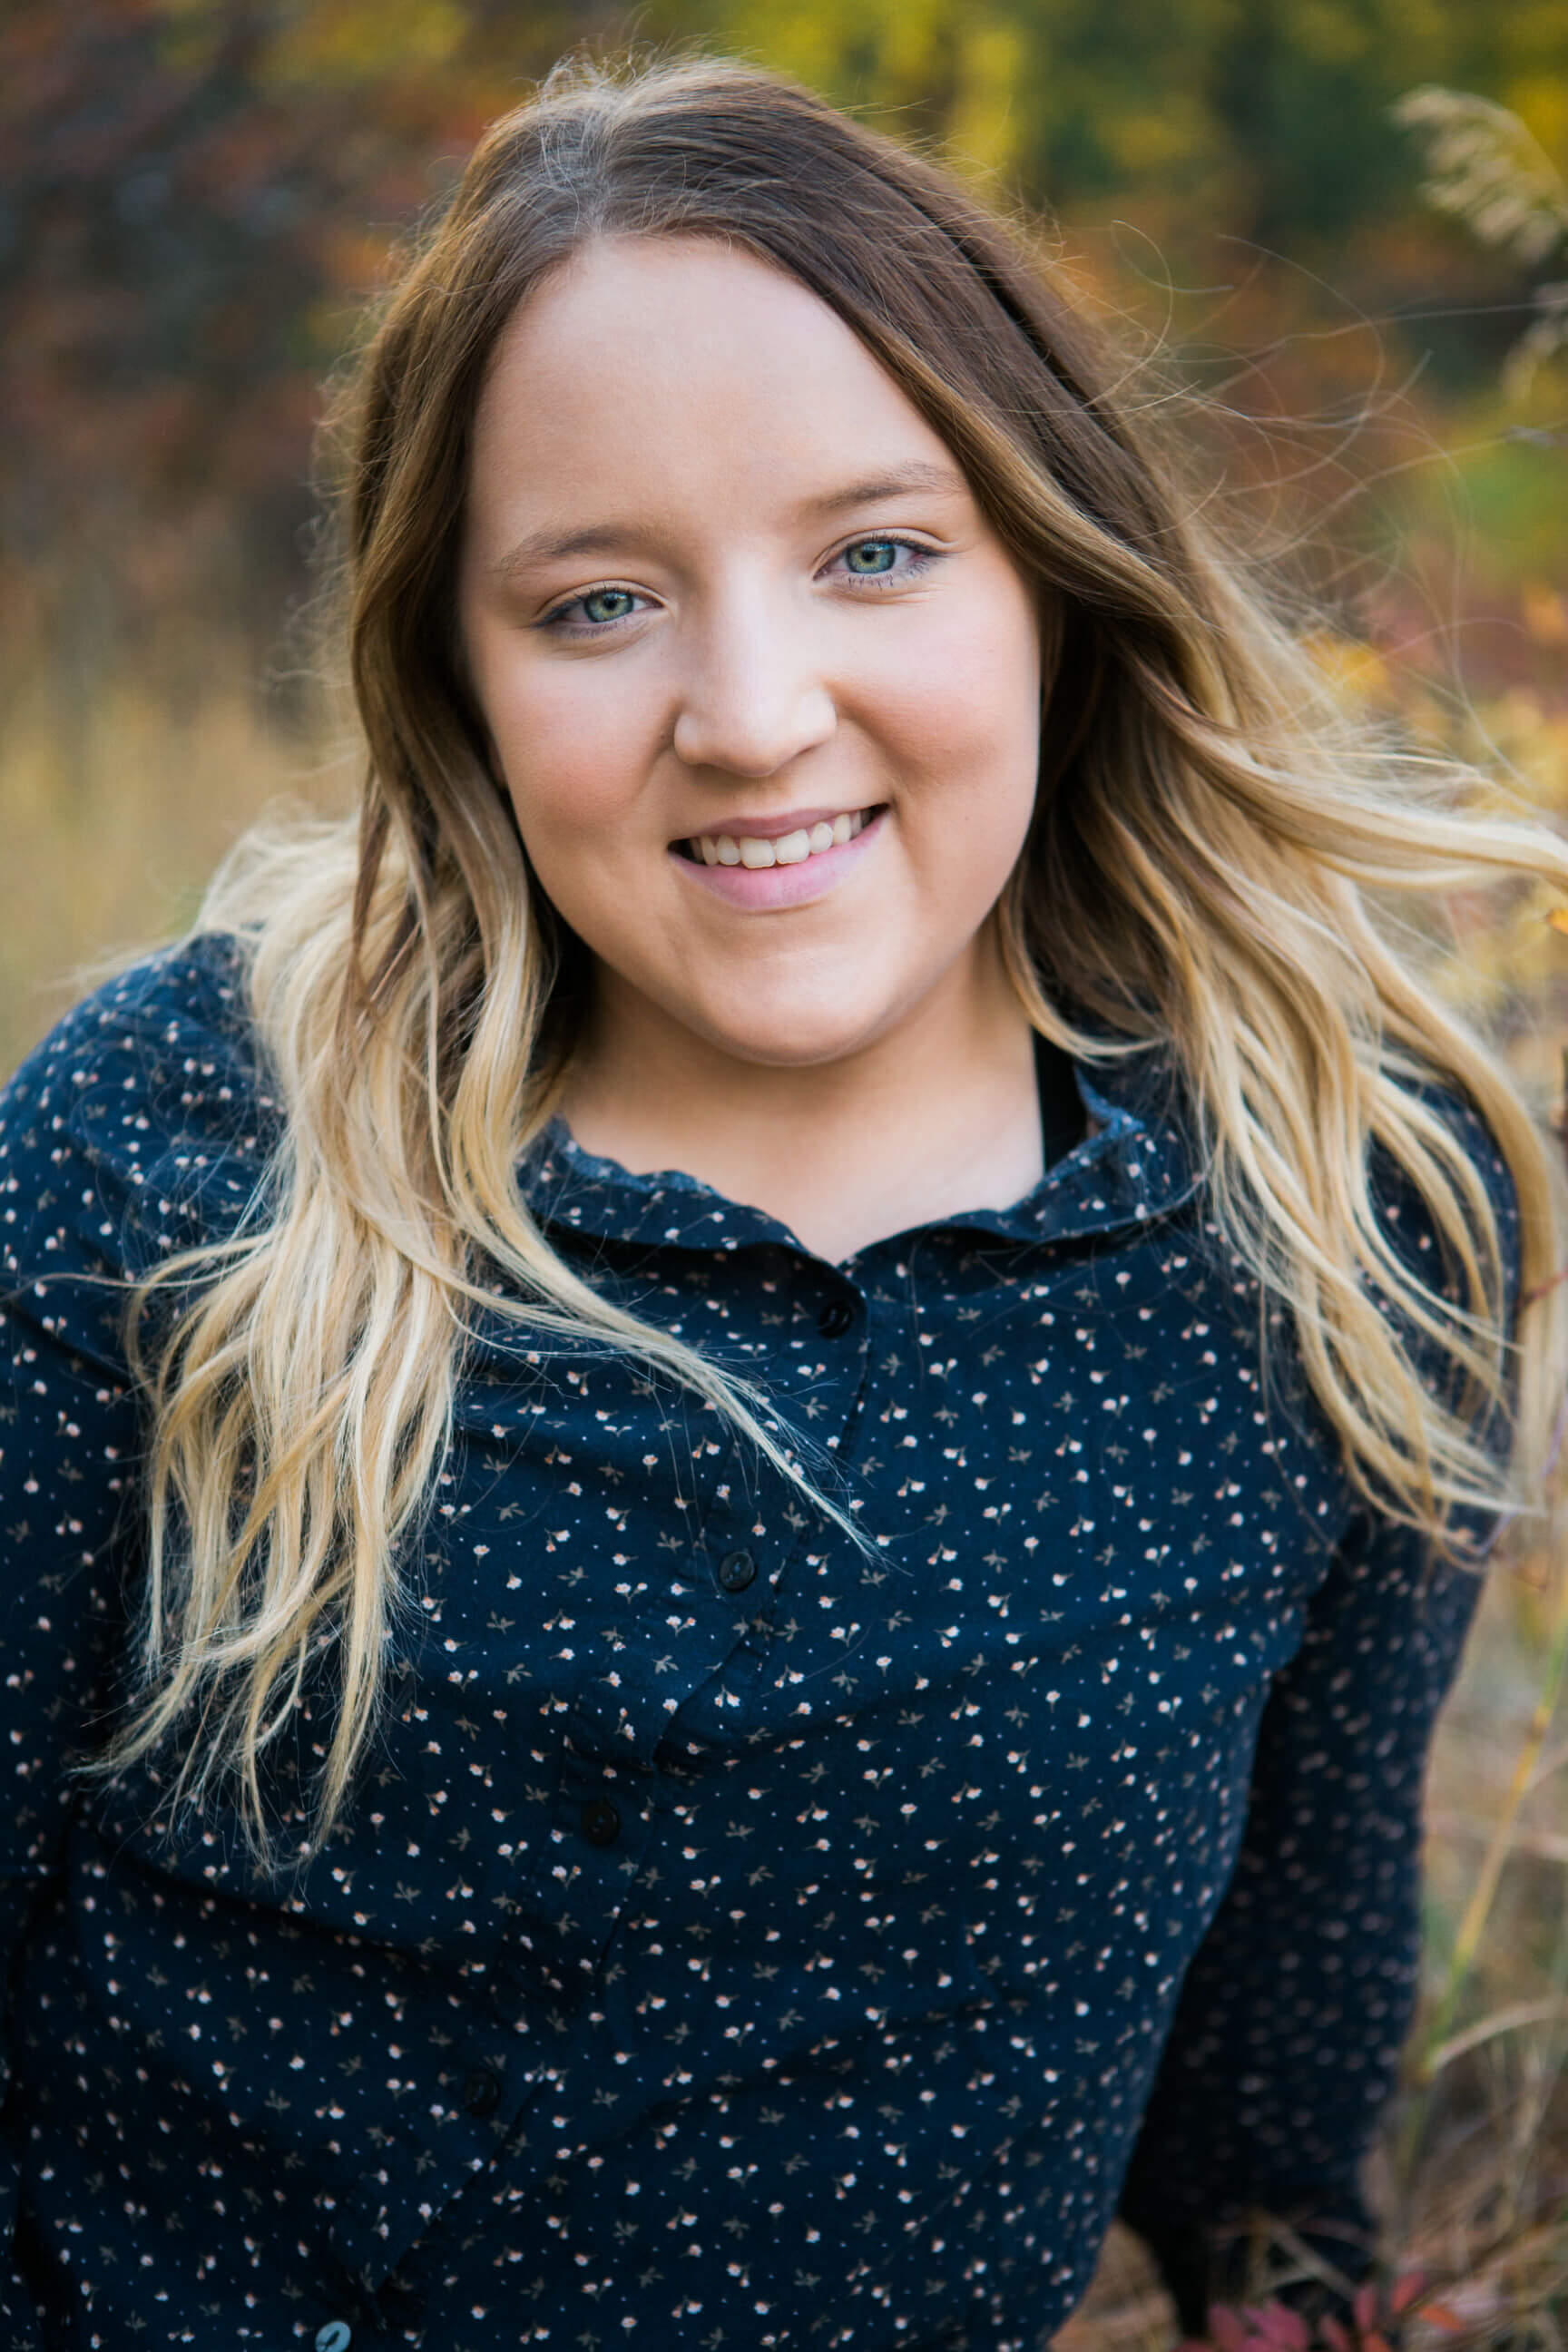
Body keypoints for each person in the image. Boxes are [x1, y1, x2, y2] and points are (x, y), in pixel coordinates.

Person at [1, 51, 1564, 2352]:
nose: (750, 712)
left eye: (874, 553)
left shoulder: (1347, 1218)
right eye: (599, 600)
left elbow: (1267, 2156)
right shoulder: (184, 1139)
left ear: (1052, 570)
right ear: (455, 668)